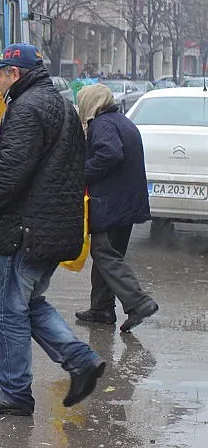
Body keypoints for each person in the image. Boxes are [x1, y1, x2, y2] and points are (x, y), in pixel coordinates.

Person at [0, 43, 105, 416]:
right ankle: (80, 361)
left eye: (0, 75)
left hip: (26, 229)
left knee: (7, 310)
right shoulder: (60, 105)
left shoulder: (26, 109)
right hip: (52, 227)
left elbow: (8, 176)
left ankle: (15, 392)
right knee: (29, 303)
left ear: (15, 75)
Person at [74, 83, 158, 332]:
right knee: (109, 255)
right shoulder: (121, 121)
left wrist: (82, 175)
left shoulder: (102, 124)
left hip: (111, 203)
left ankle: (138, 301)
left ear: (91, 103)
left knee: (103, 253)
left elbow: (110, 154)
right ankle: (101, 309)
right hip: (126, 204)